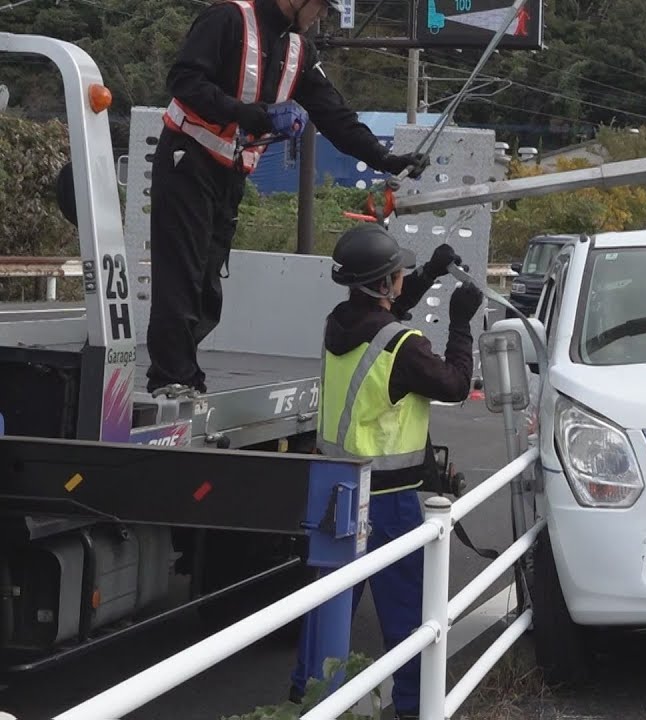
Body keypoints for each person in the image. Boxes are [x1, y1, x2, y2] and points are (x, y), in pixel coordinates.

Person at [146, 0, 426, 396]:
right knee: (182, 276)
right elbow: (183, 81)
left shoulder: (299, 49)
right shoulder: (228, 19)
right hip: (186, 159)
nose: (323, 16)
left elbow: (336, 117)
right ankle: (171, 378)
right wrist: (248, 113)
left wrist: (387, 159)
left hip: (230, 174)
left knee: (207, 282)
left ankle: (183, 374)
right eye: (322, 6)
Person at [289, 223, 483, 720]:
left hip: (334, 486)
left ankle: (307, 698)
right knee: (409, 611)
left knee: (329, 605)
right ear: (383, 284)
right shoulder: (403, 346)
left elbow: (384, 316)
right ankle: (415, 707)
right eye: (398, 273)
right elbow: (456, 384)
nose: (402, 278)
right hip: (387, 500)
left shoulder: (338, 323)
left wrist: (431, 273)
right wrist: (461, 323)